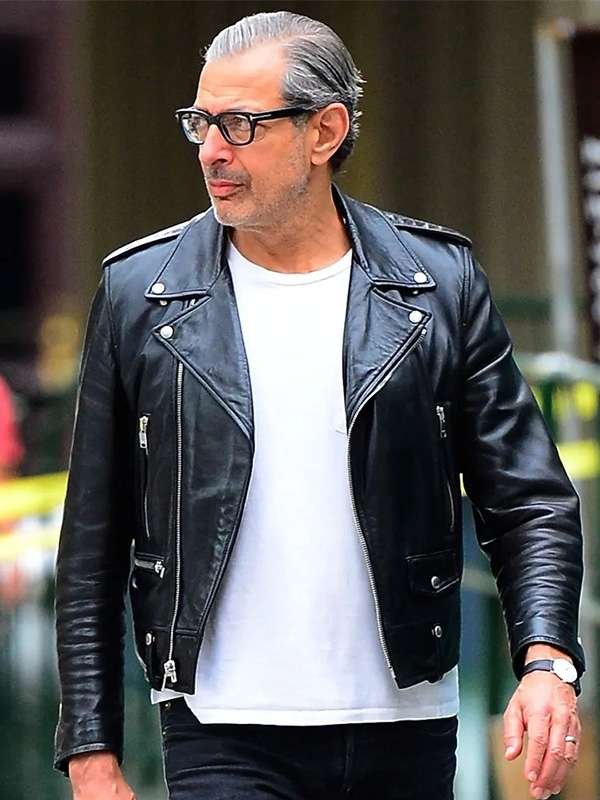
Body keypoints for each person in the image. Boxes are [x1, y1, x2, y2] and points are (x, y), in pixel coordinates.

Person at [54, 10, 585, 800]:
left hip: (406, 720)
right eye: (201, 121)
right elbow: (91, 542)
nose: (211, 150)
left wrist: (547, 660)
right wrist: (91, 752)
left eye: (240, 124)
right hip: (220, 727)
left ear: (325, 131)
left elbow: (529, 499)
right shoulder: (142, 294)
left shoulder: (436, 286)